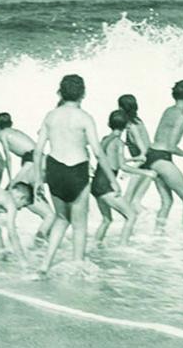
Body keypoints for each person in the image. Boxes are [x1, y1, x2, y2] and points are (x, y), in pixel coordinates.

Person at [35, 75, 120, 274]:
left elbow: (39, 150)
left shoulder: (50, 116)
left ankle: (45, 264)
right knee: (79, 225)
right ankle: (77, 266)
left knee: (61, 218)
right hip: (77, 169)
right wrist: (112, 180)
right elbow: (98, 152)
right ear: (83, 93)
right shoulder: (85, 118)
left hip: (54, 168)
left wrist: (39, 178)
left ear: (60, 92)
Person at [92, 111, 158, 245]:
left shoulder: (105, 139)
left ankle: (95, 246)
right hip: (106, 186)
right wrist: (146, 173)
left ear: (109, 124)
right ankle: (123, 247)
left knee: (106, 220)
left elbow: (110, 159)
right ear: (126, 126)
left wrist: (134, 158)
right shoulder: (119, 143)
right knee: (131, 216)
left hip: (96, 184)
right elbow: (122, 167)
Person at [145, 80, 183, 230]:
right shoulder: (181, 117)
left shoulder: (168, 110)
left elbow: (159, 137)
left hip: (152, 155)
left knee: (167, 201)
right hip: (162, 158)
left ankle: (158, 236)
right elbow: (171, 146)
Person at [0, 112, 55, 243]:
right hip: (36, 156)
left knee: (18, 185)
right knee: (48, 213)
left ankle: (40, 238)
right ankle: (43, 237)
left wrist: (11, 177)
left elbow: (8, 157)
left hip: (31, 157)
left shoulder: (2, 134)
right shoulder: (15, 132)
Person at [118, 94, 153, 212]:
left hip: (145, 165)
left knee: (128, 201)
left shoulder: (132, 127)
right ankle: (153, 225)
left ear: (122, 109)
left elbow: (144, 153)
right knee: (134, 202)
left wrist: (127, 165)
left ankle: (149, 224)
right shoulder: (138, 122)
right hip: (151, 164)